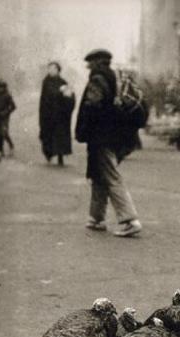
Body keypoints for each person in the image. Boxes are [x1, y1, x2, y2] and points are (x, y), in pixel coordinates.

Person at [75, 48, 142, 237]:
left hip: (101, 136)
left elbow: (93, 107)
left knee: (110, 176)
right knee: (99, 174)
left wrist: (85, 130)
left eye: (90, 63)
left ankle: (130, 220)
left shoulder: (97, 79)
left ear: (96, 63)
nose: (88, 66)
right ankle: (96, 217)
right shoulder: (112, 77)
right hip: (112, 134)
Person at [39, 62, 75, 165]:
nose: (50, 70)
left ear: (58, 70)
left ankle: (60, 156)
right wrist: (59, 92)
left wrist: (68, 96)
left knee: (60, 135)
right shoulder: (46, 82)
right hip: (48, 113)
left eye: (53, 68)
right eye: (49, 68)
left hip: (60, 114)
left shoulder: (63, 82)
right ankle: (48, 154)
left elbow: (70, 97)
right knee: (47, 134)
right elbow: (47, 96)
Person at [0, 80, 16, 157]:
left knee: (4, 133)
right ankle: (0, 151)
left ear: (3, 88)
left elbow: (13, 107)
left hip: (4, 118)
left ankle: (11, 145)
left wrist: (5, 112)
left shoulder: (7, 95)